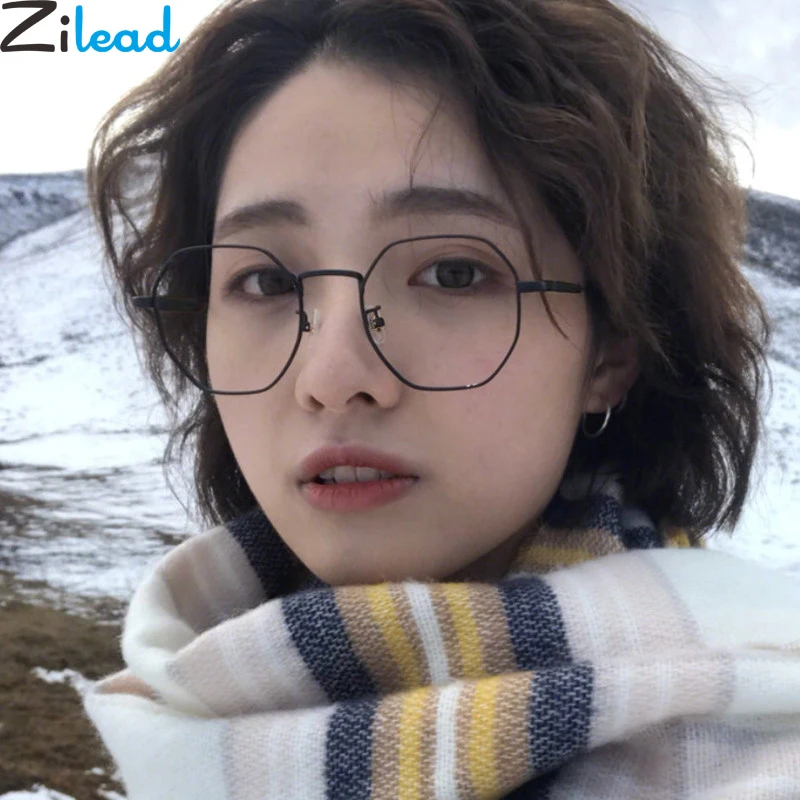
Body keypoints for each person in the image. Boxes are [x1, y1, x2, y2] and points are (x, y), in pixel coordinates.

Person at [82, 0, 800, 797]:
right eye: (267, 281)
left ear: (610, 350)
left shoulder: (756, 753)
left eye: (453, 273)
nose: (331, 376)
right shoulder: (181, 719)